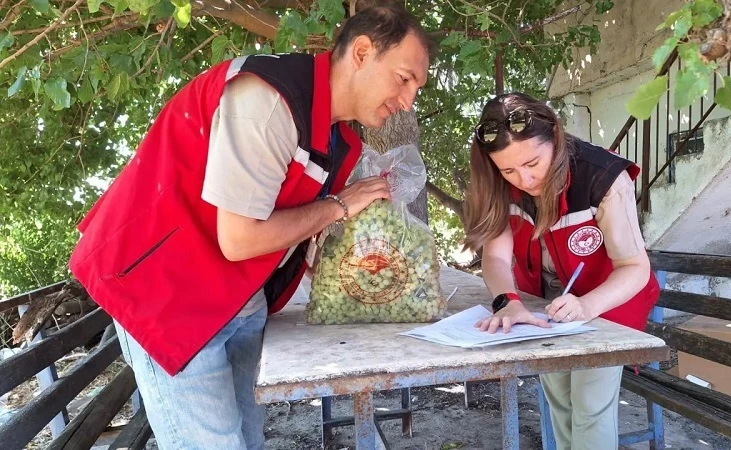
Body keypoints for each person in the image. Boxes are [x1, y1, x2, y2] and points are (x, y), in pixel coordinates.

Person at [68, 5, 433, 449]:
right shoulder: (267, 98)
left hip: (239, 296)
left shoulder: (339, 138)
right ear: (360, 52)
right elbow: (240, 239)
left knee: (248, 439)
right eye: (404, 78)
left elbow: (293, 226)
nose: (408, 100)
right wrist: (338, 206)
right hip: (165, 289)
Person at [463, 92, 660, 450]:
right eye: (508, 170)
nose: (523, 178)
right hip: (549, 307)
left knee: (589, 406)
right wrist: (507, 301)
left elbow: (635, 268)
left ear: (554, 136)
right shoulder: (501, 184)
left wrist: (586, 307)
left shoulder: (601, 177)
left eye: (533, 162)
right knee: (560, 402)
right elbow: (495, 258)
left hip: (607, 305)